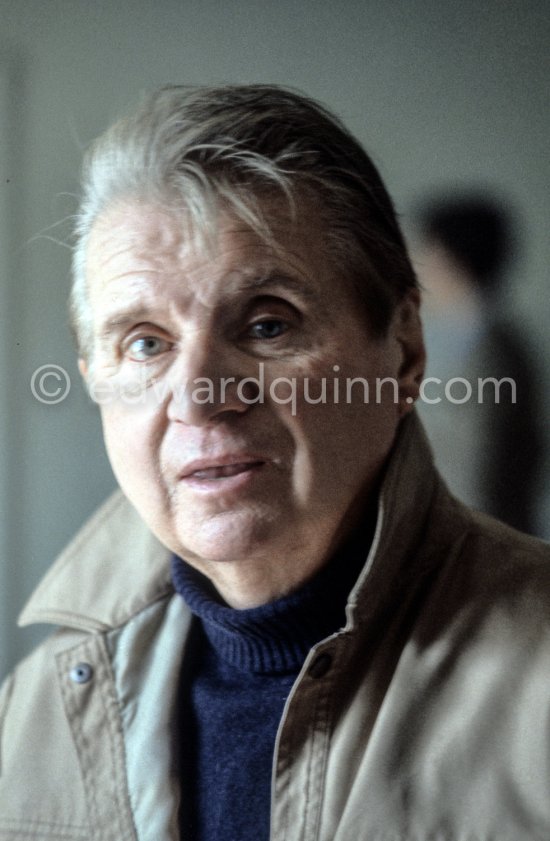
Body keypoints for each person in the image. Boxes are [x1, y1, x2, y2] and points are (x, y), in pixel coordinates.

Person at [0, 85, 549, 841]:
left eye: (266, 323)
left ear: (405, 351)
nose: (196, 397)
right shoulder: (32, 713)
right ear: (94, 375)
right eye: (146, 342)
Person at [414, 194, 543, 534]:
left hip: (481, 541)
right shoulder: (464, 339)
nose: (419, 265)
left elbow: (481, 468)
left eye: (428, 252)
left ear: (451, 258)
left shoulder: (491, 351)